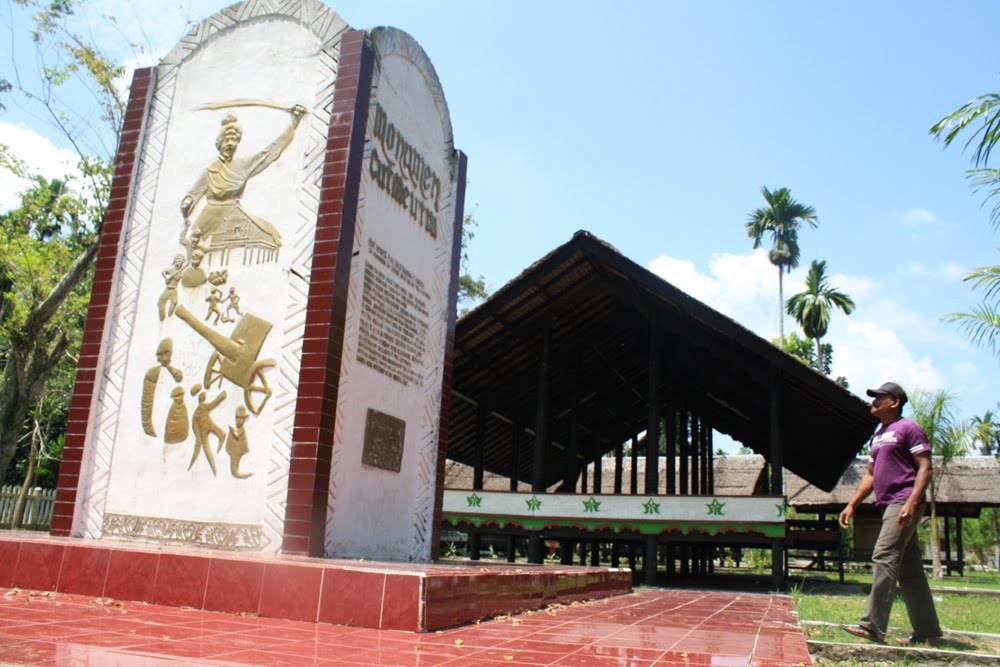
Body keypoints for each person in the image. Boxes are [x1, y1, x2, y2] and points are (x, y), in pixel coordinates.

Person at [839, 381, 942, 645]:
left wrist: (912, 502)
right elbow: (871, 475)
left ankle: (872, 626)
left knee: (884, 554)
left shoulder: (909, 428)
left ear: (894, 402)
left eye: (879, 397)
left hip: (903, 500)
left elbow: (925, 468)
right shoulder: (878, 435)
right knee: (909, 569)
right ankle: (927, 631)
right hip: (888, 503)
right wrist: (852, 504)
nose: (873, 401)